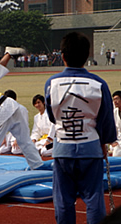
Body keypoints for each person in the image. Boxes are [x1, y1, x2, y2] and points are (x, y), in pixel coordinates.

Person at [44, 32, 116, 224]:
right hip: (91, 147)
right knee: (94, 200)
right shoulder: (99, 83)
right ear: (87, 56)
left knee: (63, 201)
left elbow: (51, 116)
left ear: (63, 55)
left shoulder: (51, 83)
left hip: (63, 148)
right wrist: (105, 142)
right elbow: (106, 118)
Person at [111, 90, 121, 156]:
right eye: (114, 100)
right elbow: (113, 127)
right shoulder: (115, 112)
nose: (115, 101)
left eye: (117, 99)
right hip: (118, 141)